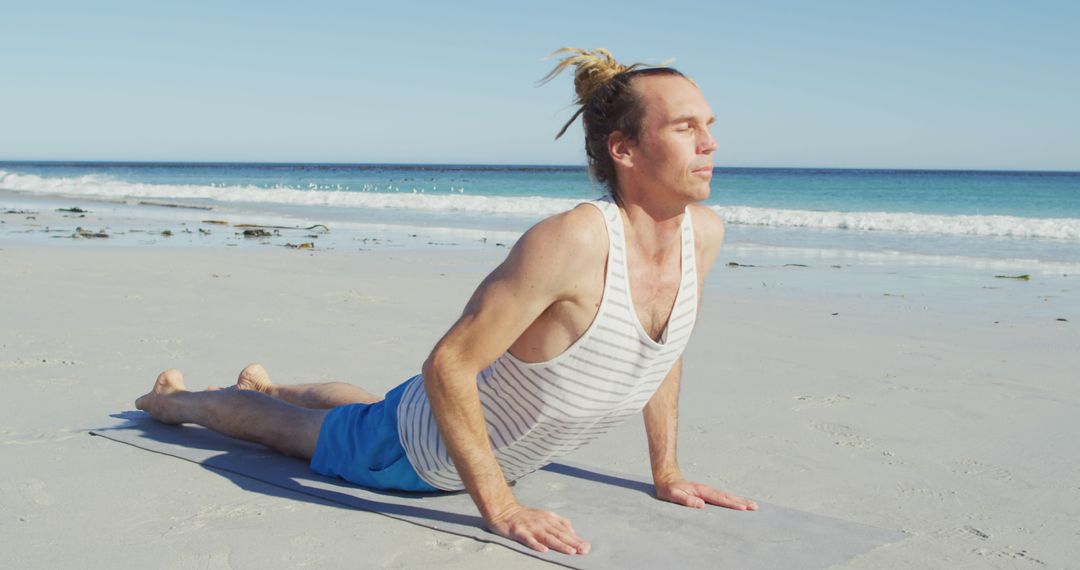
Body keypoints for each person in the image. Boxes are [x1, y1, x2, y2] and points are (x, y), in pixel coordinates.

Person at [136, 47, 758, 557]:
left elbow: (662, 350)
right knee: (278, 427)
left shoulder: (701, 233)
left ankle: (271, 384)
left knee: (370, 408)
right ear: (624, 149)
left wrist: (668, 473)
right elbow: (448, 366)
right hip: (415, 460)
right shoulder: (572, 241)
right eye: (686, 128)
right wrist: (503, 509)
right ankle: (172, 401)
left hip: (440, 425)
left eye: (709, 127)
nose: (710, 144)